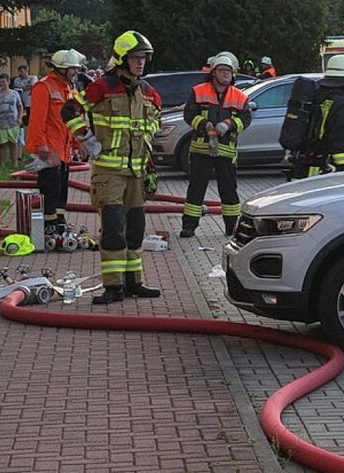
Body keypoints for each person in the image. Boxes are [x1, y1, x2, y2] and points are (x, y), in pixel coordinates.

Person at [62, 30, 163, 304]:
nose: (141, 63)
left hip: (137, 174)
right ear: (121, 59)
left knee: (136, 228)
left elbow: (155, 120)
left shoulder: (147, 91)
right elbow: (69, 110)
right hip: (109, 173)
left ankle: (134, 282)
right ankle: (113, 286)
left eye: (143, 58)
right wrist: (87, 140)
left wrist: (150, 155)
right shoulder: (102, 87)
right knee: (114, 228)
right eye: (135, 58)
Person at [180, 52, 253, 238]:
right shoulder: (199, 91)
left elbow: (246, 119)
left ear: (233, 73)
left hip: (226, 150)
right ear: (213, 72)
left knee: (228, 190)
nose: (225, 74)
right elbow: (189, 114)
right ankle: (189, 226)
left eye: (228, 71)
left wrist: (228, 124)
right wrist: (204, 125)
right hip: (201, 148)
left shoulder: (239, 96)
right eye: (221, 70)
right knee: (196, 188)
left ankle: (232, 227)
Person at [26, 49, 85, 241]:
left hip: (64, 150)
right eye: (73, 68)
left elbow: (74, 120)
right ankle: (48, 226)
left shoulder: (69, 89)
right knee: (50, 190)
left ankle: (59, 223)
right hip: (50, 150)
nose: (76, 72)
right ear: (62, 68)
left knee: (61, 190)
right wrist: (40, 145)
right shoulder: (44, 87)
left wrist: (78, 144)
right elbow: (36, 120)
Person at [289, 53, 344, 180]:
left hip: (301, 172)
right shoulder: (342, 104)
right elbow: (342, 150)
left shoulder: (317, 96)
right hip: (320, 177)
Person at [0, 73, 23, 168]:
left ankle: (14, 163)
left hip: (13, 123)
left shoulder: (14, 93)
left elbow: (20, 106)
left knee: (13, 144)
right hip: (0, 124)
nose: (2, 84)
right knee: (2, 145)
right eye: (0, 82)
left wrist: (19, 118)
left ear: (8, 81)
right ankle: (2, 164)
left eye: (4, 82)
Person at [13, 65, 36, 147]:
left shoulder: (33, 78)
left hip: (31, 103)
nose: (20, 73)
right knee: (23, 122)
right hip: (21, 105)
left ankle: (30, 138)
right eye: (19, 72)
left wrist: (22, 88)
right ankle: (23, 139)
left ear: (27, 71)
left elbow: (32, 85)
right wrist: (25, 87)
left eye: (22, 71)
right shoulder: (17, 80)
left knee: (31, 122)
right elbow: (15, 88)